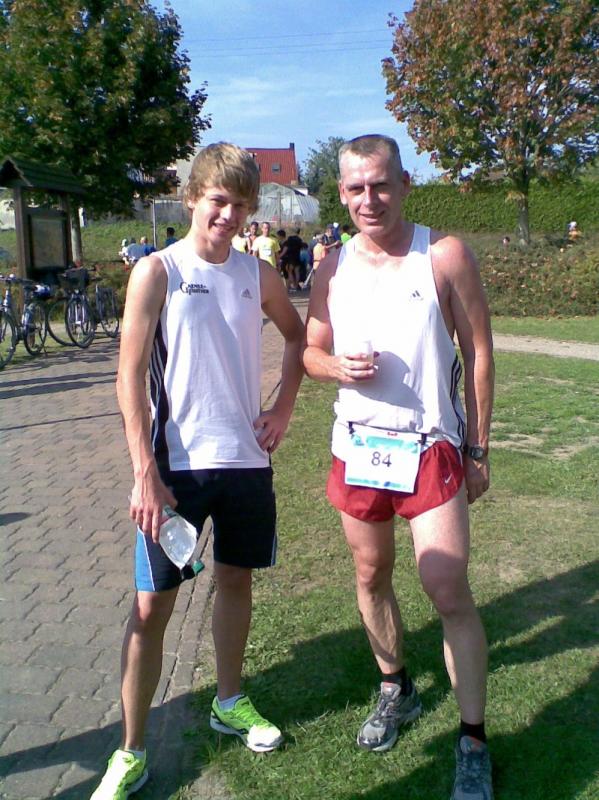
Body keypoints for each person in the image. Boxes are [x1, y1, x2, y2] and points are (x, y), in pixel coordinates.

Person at [90, 142, 304, 799]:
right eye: (218, 201)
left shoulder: (256, 274)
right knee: (151, 607)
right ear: (191, 199)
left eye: (241, 205)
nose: (229, 216)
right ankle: (131, 750)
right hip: (174, 470)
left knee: (236, 581)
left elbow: (297, 336)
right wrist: (143, 473)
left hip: (245, 463)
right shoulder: (157, 271)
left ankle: (228, 701)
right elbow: (128, 377)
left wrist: (281, 408)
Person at [303, 134, 495, 800]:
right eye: (356, 188)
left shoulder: (442, 255)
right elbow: (310, 352)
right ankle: (396, 688)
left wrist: (478, 447)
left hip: (430, 446)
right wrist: (334, 366)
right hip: (358, 446)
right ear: (341, 194)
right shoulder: (330, 267)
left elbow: (478, 350)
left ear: (404, 184)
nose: (369, 199)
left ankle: (473, 739)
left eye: (380, 184)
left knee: (446, 587)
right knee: (369, 572)